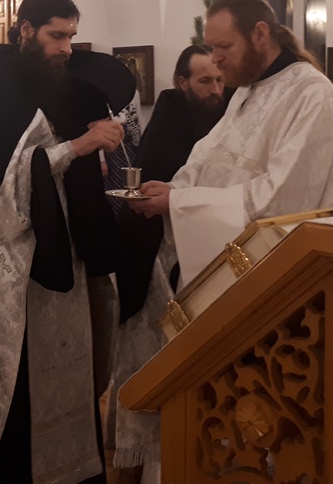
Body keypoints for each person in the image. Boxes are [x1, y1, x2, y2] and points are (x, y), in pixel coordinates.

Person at [0, 0, 127, 484]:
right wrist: (80, 146)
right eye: (56, 36)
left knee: (69, 380)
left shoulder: (53, 82)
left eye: (72, 36)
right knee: (21, 390)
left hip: (64, 259)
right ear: (25, 30)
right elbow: (2, 183)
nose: (67, 47)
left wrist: (92, 140)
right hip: (14, 268)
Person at [130, 0, 333, 286]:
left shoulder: (312, 95)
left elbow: (282, 200)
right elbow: (208, 154)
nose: (215, 58)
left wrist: (179, 201)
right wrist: (173, 188)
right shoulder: (247, 89)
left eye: (224, 46)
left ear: (260, 34)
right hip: (225, 258)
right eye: (212, 47)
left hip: (275, 273)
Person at [106, 45, 228, 483]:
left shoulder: (229, 121)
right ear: (182, 83)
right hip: (160, 266)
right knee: (149, 367)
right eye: (204, 81)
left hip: (210, 262)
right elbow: (148, 199)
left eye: (219, 80)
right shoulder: (169, 124)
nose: (215, 89)